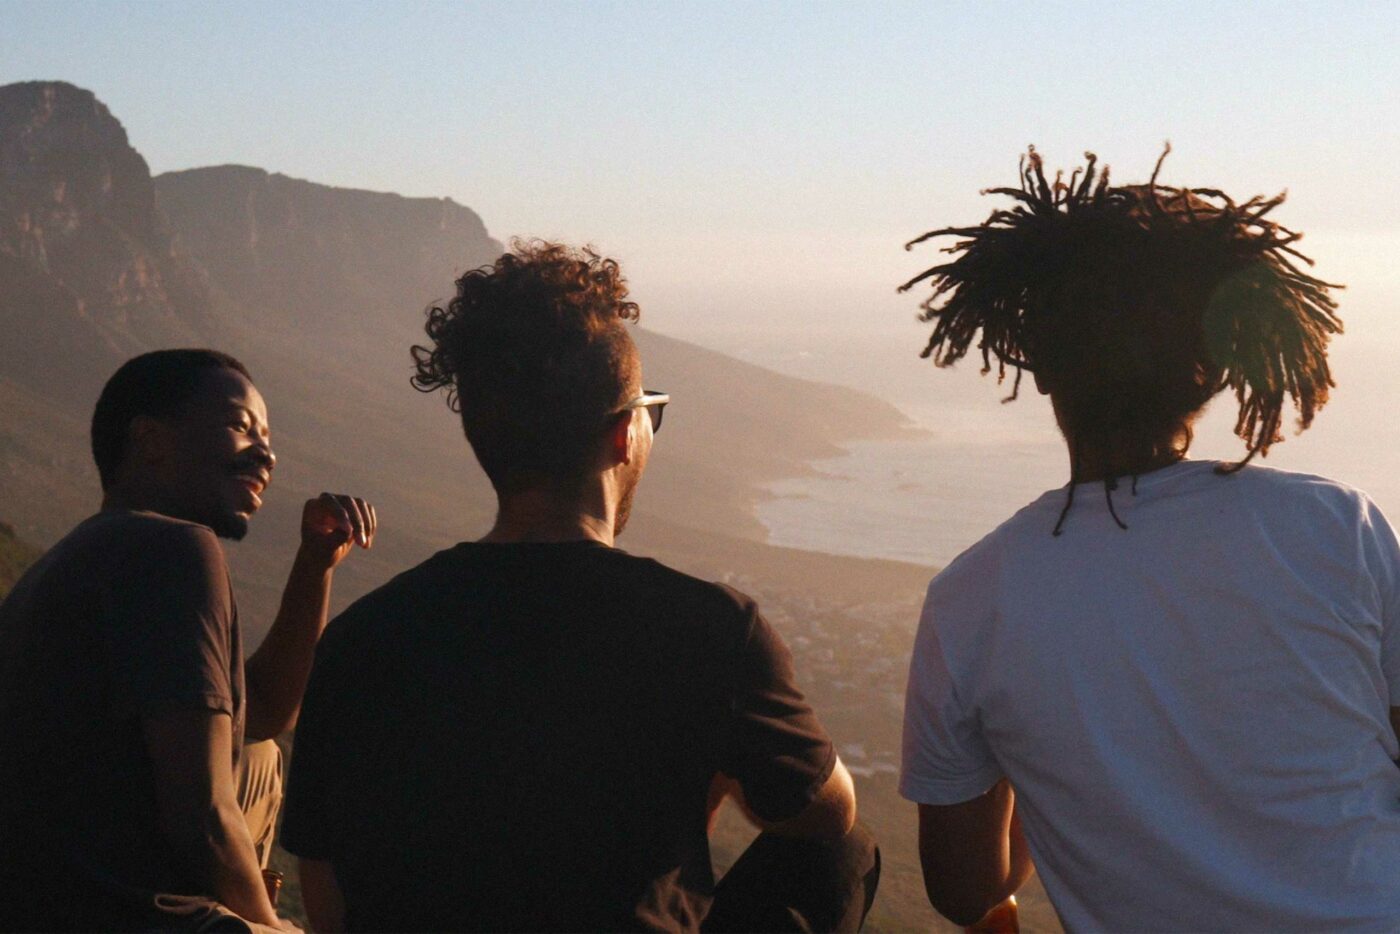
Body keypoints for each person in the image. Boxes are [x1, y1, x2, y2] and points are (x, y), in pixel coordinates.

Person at [279, 240, 879, 932]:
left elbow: (322, 879)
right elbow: (827, 811)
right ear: (625, 434)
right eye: (652, 412)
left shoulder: (362, 637)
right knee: (846, 853)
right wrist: (714, 773)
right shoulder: (710, 629)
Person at [898, 147, 1400, 931]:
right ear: (1211, 373)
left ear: (1037, 362)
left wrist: (1045, 771)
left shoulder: (971, 600)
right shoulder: (1338, 528)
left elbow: (967, 891)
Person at [0, 349, 377, 931]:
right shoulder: (173, 549)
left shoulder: (88, 555)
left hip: (39, 901)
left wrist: (316, 565)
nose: (266, 453)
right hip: (117, 915)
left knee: (258, 757)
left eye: (268, 436)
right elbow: (201, 817)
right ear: (151, 439)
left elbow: (262, 715)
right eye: (239, 426)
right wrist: (271, 925)